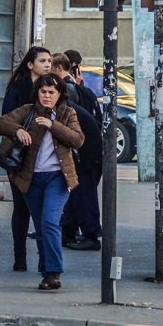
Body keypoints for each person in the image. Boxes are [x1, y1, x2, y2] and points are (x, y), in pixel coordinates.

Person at [0, 73, 84, 290]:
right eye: (43, 92)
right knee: (42, 226)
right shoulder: (27, 111)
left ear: (59, 94)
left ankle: (54, 272)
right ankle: (46, 271)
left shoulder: (67, 113)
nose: (46, 96)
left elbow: (78, 139)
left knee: (50, 221)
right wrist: (18, 130)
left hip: (58, 177)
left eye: (51, 92)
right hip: (31, 178)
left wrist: (52, 125)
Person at [2, 46, 52, 271]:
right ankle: (19, 257)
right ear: (30, 64)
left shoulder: (51, 88)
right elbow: (5, 119)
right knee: (22, 207)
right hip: (20, 155)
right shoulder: (17, 88)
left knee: (43, 209)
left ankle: (45, 259)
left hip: (45, 155)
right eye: (42, 61)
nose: (48, 64)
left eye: (50, 61)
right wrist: (18, 130)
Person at [51, 53, 103, 250]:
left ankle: (90, 235)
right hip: (88, 150)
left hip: (87, 152)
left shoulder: (67, 99)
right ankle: (68, 230)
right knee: (76, 193)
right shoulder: (74, 91)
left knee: (83, 194)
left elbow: (71, 132)